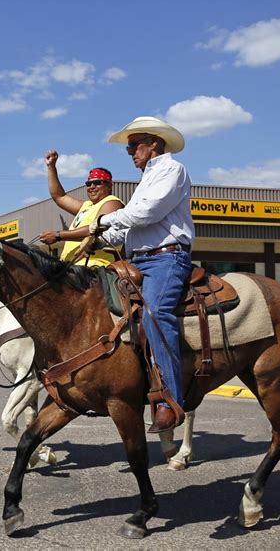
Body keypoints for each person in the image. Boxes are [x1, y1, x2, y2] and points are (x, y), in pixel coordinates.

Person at [89, 116, 195, 433]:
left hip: (167, 258)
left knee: (155, 313)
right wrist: (98, 240)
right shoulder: (145, 180)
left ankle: (169, 401)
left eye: (134, 145)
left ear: (154, 144)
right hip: (139, 260)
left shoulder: (173, 170)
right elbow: (126, 228)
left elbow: (146, 213)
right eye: (129, 148)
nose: (131, 152)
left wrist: (101, 223)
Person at [39, 150, 124, 266]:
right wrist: (51, 166)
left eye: (98, 182)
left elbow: (96, 229)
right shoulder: (86, 206)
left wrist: (58, 235)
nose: (92, 187)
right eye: (88, 184)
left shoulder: (112, 202)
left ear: (109, 185)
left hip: (96, 266)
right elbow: (59, 196)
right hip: (73, 268)